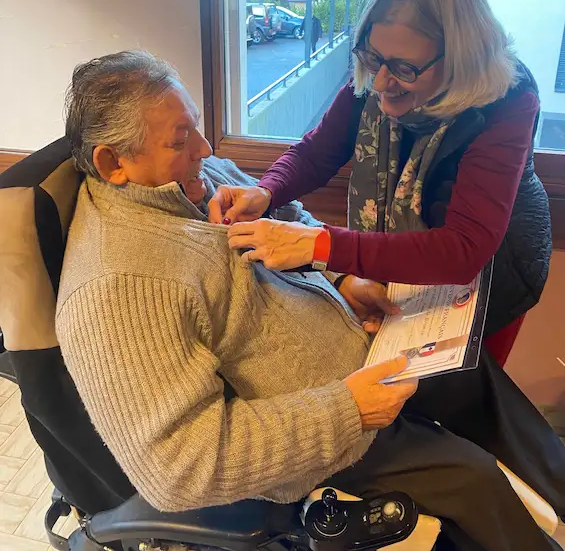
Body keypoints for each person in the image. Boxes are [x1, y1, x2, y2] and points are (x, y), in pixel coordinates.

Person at [57, 50, 562, 551]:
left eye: (198, 128)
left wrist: (342, 279)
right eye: (182, 140)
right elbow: (178, 469)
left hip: (368, 356)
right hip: (326, 438)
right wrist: (348, 410)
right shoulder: (116, 286)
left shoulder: (201, 180)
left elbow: (292, 217)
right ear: (113, 163)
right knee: (473, 483)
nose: (207, 149)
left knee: (474, 377)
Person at [209, 0, 550, 355]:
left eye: (406, 69)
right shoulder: (377, 77)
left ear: (458, 58)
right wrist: (265, 192)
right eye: (373, 57)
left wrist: (318, 244)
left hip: (494, 275)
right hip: (406, 264)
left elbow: (463, 250)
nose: (383, 80)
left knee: (465, 395)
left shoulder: (506, 101)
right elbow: (318, 151)